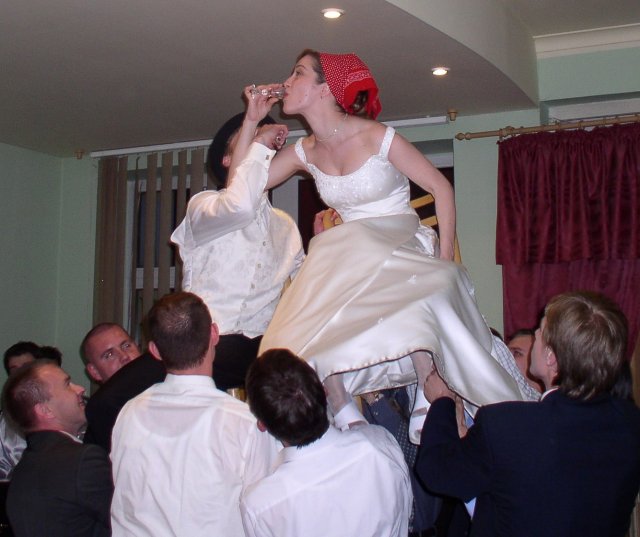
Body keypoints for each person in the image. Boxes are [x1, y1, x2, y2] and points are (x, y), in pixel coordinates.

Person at [232, 49, 525, 443]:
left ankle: (426, 380)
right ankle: (341, 403)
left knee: (395, 279)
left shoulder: (375, 135)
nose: (286, 81)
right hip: (351, 254)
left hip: (401, 241)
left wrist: (444, 259)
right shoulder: (306, 150)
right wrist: (252, 120)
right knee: (298, 324)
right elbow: (240, 189)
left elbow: (440, 188)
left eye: (298, 73)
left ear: (326, 88)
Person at [415, 291, 640, 537]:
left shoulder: (506, 425)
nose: (535, 335)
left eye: (540, 331)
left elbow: (437, 472)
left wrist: (442, 400)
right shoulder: (630, 424)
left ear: (551, 357)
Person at [110, 292, 279, 537]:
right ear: (214, 334)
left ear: (154, 350)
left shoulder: (129, 414)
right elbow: (267, 517)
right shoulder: (245, 424)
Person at [171, 113, 304, 392]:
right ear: (227, 160)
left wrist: (326, 241)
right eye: (249, 142)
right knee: (112, 400)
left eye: (262, 144)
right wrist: (258, 134)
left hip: (263, 352)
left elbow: (306, 288)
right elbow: (239, 207)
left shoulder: (285, 225)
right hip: (203, 344)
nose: (259, 144)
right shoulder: (203, 205)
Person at [241, 348, 412, 537]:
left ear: (262, 424)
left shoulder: (259, 507)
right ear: (324, 391)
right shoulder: (381, 446)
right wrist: (341, 404)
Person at [2, 361, 113, 537]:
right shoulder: (82, 461)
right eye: (67, 384)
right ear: (45, 410)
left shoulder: (22, 470)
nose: (80, 389)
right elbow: (132, 520)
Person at [81, 323, 166, 452]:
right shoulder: (101, 417)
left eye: (127, 346)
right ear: (94, 371)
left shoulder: (170, 385)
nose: (124, 356)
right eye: (109, 355)